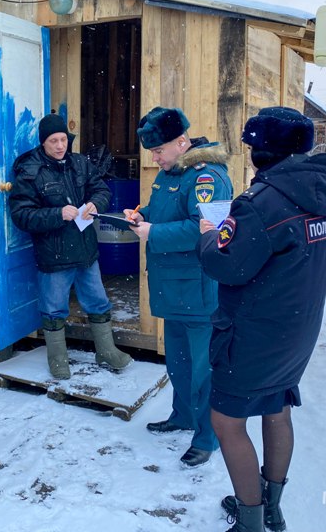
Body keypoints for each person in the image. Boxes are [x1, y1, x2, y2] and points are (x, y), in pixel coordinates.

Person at [196, 106, 326, 532]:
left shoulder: (260, 204)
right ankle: (270, 505)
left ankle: (250, 520)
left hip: (253, 332)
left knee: (226, 421)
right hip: (296, 328)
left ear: (263, 152)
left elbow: (227, 265)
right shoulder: (321, 192)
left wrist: (210, 236)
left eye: (253, 147)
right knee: (277, 409)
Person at [125, 106, 232, 468]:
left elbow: (210, 230)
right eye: (152, 152)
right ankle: (183, 416)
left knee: (203, 370)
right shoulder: (170, 174)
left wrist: (153, 233)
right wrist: (142, 218)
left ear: (182, 142)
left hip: (199, 291)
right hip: (171, 289)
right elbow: (163, 213)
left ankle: (207, 435)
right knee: (179, 363)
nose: (155, 158)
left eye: (159, 151)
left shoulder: (208, 178)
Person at [9, 112, 132, 379]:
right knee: (54, 309)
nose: (60, 145)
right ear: (43, 142)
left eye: (63, 139)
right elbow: (21, 215)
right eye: (53, 140)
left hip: (86, 251)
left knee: (98, 302)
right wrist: (56, 214)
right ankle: (57, 358)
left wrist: (94, 204)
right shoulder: (30, 171)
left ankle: (106, 351)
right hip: (54, 254)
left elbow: (102, 190)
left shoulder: (80, 163)